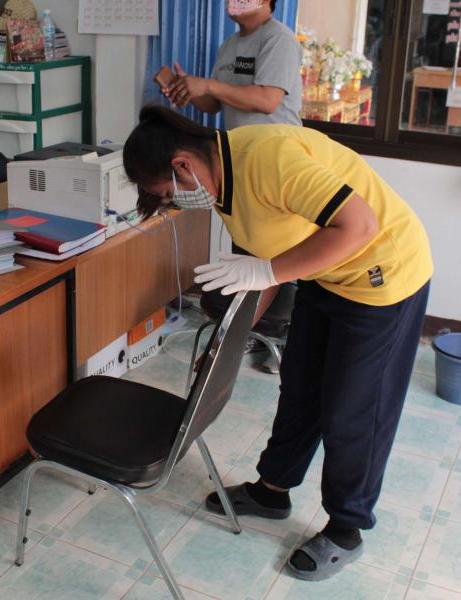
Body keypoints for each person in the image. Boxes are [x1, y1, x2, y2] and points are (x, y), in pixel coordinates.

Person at [123, 105, 433, 582]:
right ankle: (273, 490)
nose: (173, 203)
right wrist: (229, 342)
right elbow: (260, 267)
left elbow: (360, 227)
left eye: (167, 194)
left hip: (383, 277)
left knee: (354, 410)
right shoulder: (221, 184)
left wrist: (267, 271)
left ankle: (346, 528)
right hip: (324, 275)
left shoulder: (268, 159)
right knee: (300, 387)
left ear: (183, 165)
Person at [160, 0, 303, 128]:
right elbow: (213, 104)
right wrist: (185, 87)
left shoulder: (279, 38)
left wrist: (206, 85)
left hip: (277, 146)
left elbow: (266, 101)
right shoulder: (228, 45)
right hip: (240, 145)